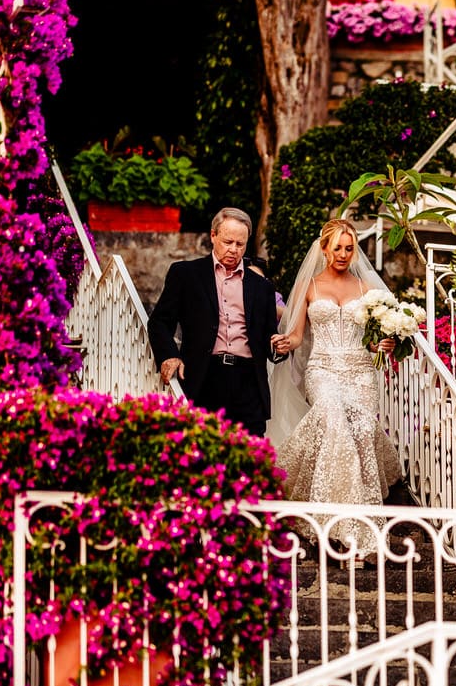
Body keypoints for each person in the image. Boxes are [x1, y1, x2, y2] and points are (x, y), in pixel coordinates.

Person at [268, 218, 404, 543]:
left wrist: (384, 343)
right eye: (337, 247)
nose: (343, 254)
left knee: (358, 434)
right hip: (323, 370)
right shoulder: (311, 286)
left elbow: (374, 339)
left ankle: (353, 529)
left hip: (360, 373)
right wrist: (286, 342)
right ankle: (345, 532)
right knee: (333, 421)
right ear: (324, 248)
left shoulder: (367, 289)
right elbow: (298, 336)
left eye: (349, 248)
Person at [148, 207, 282, 437]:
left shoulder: (262, 287)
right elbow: (159, 321)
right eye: (228, 241)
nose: (233, 249)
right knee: (201, 455)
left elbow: (269, 337)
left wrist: (279, 347)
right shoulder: (186, 274)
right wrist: (170, 355)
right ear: (213, 236)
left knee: (248, 460)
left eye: (240, 244)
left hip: (248, 383)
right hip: (203, 378)